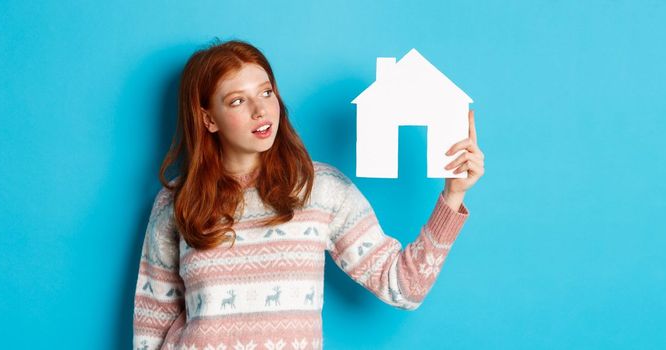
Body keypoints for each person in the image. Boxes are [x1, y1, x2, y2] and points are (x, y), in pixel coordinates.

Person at [132, 39, 485, 350]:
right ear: (209, 119)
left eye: (266, 92)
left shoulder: (321, 189)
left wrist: (452, 196)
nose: (260, 110)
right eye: (238, 100)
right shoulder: (177, 200)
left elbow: (403, 287)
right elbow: (152, 324)